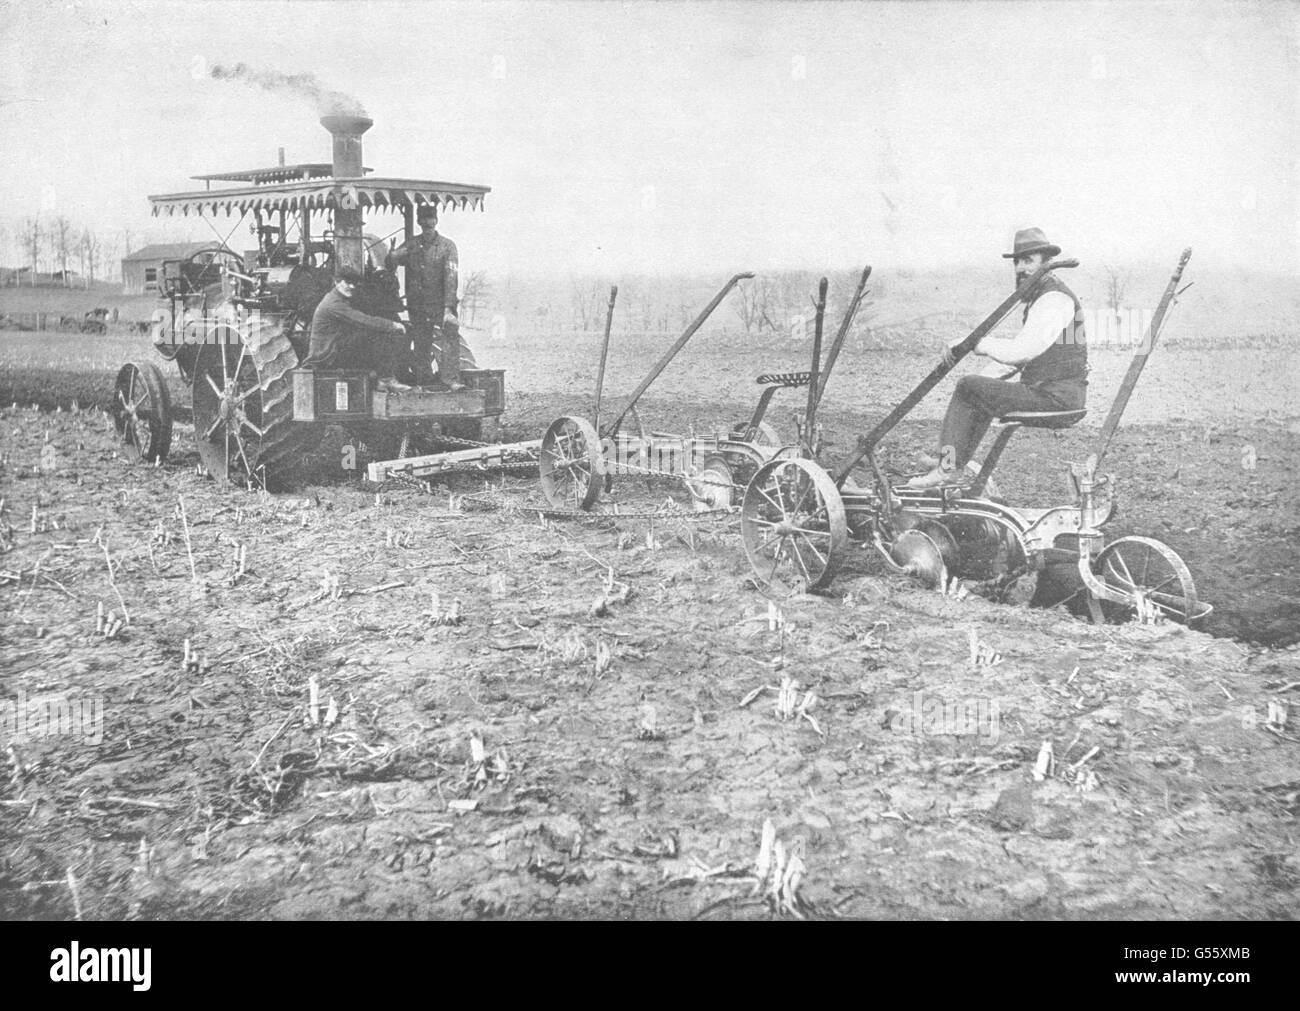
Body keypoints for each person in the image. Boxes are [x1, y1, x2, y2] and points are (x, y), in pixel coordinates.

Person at [907, 227, 1087, 489]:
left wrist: (974, 343)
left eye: (1028, 261)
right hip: (1054, 393)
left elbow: (1021, 351)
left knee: (968, 387)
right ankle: (949, 464)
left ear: (1046, 263)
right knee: (977, 389)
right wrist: (984, 375)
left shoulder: (1054, 299)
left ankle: (947, 468)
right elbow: (1022, 360)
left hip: (1056, 399)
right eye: (1017, 261)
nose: (1020, 269)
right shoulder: (1045, 296)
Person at [386, 203, 475, 390]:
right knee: (421, 342)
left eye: (430, 218)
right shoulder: (411, 244)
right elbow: (391, 262)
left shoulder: (447, 246)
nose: (427, 222)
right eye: (424, 219)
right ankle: (423, 380)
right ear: (419, 221)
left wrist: (448, 308)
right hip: (417, 305)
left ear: (436, 221)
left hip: (440, 305)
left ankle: (450, 379)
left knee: (450, 332)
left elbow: (451, 276)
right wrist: (393, 255)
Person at [303, 267, 412, 393]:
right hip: (326, 356)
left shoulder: (339, 298)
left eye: (354, 283)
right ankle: (385, 379)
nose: (351, 286)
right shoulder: (334, 305)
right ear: (336, 282)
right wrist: (393, 325)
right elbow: (363, 320)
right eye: (347, 282)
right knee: (376, 334)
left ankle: (380, 379)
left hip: (331, 349)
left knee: (369, 334)